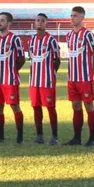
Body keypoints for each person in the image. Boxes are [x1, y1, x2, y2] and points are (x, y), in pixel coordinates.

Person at [64, 6, 94, 147]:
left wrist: (90, 71)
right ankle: (77, 138)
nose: (72, 18)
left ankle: (92, 138)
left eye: (75, 16)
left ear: (82, 17)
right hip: (72, 78)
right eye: (71, 15)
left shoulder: (88, 35)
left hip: (85, 78)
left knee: (89, 105)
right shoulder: (69, 35)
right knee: (75, 106)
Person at [0, 12, 25, 144]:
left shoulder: (14, 39)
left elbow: (21, 59)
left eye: (2, 20)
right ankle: (0, 136)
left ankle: (20, 135)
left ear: (9, 23)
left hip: (10, 80)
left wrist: (12, 71)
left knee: (14, 106)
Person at [28, 13, 61, 145]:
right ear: (34, 23)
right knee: (36, 107)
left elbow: (57, 60)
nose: (40, 23)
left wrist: (50, 73)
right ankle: (39, 136)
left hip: (47, 81)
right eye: (37, 20)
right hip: (34, 81)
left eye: (42, 21)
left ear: (46, 24)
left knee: (50, 107)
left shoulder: (51, 40)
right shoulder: (31, 40)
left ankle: (54, 136)